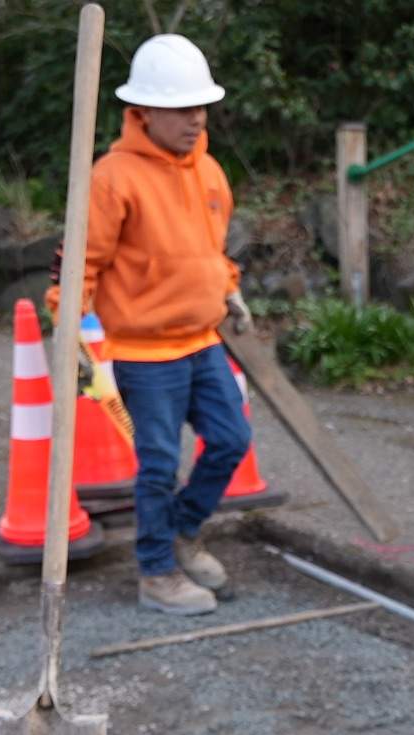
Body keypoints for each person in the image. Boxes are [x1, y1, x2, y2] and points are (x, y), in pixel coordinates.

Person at [79, 32, 252, 617]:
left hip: (203, 342)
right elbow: (83, 262)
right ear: (144, 111)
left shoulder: (209, 172)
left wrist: (230, 288)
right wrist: (72, 331)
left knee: (231, 440)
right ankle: (155, 573)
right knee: (158, 464)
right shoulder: (113, 177)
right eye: (181, 109)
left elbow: (212, 248)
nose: (195, 119)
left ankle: (182, 530)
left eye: (200, 107)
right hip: (143, 350)